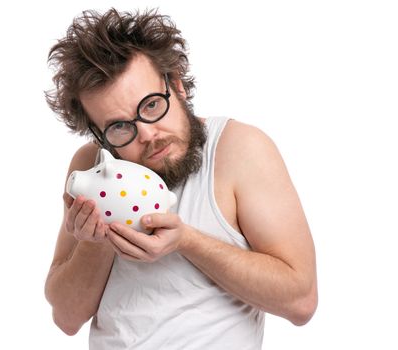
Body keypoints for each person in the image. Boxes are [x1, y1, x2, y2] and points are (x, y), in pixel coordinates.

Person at [44, 8, 317, 350]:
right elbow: (66, 318)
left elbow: (301, 301)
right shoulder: (91, 167)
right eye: (119, 127)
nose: (146, 134)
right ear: (100, 136)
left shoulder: (239, 149)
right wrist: (95, 241)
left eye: (152, 105)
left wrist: (187, 241)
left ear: (176, 85)